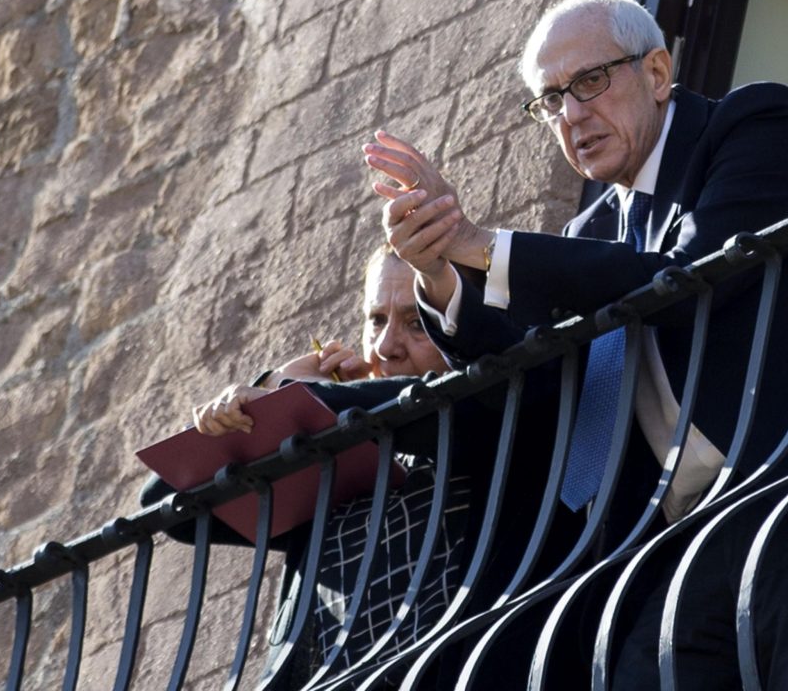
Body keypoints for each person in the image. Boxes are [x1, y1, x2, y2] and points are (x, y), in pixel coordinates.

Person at [365, 0, 788, 688]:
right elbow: (535, 378)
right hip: (687, 543)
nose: (572, 114)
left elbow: (687, 280)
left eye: (590, 81)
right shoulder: (590, 233)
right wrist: (442, 271)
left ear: (657, 73)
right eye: (551, 101)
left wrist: (483, 244)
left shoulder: (755, 125)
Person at [143, 247, 571, 688]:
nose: (386, 347)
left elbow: (443, 402)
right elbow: (170, 504)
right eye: (376, 320)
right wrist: (273, 396)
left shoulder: (496, 406)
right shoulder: (333, 447)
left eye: (417, 323)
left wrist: (307, 399)